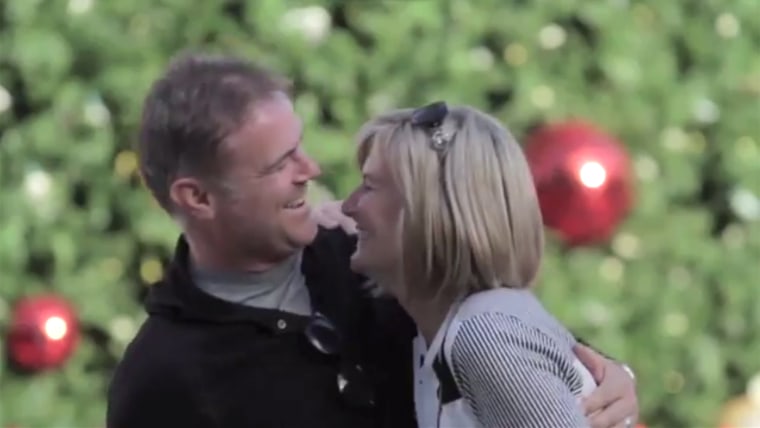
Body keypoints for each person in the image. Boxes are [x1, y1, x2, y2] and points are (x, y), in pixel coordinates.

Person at [106, 53, 638, 428]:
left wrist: (610, 375)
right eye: (278, 164)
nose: (309, 170)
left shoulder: (370, 252)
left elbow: (515, 337)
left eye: (300, 148)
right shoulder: (162, 380)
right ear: (197, 198)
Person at [341, 101, 637, 428]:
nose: (349, 205)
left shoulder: (483, 335)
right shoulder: (459, 329)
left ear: (428, 210)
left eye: (369, 186)